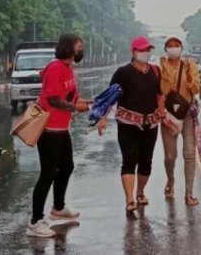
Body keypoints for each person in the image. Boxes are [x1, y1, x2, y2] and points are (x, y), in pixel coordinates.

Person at [27, 34, 90, 238]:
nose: (81, 51)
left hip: (62, 130)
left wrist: (84, 103)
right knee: (48, 173)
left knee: (67, 166)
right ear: (69, 48)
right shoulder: (55, 68)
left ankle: (58, 208)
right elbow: (53, 99)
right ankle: (35, 222)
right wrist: (74, 107)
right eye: (79, 47)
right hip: (49, 130)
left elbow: (74, 95)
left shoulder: (68, 70)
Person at [97, 36, 167, 214]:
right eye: (141, 50)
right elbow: (111, 96)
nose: (145, 53)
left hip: (150, 124)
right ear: (133, 52)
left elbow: (159, 95)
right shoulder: (123, 72)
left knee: (146, 161)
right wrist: (103, 117)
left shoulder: (155, 71)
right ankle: (129, 199)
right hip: (127, 123)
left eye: (147, 50)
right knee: (129, 159)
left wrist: (162, 114)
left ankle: (140, 193)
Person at [159, 36, 201, 206]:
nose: (173, 48)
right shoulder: (161, 67)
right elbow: (164, 90)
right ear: (165, 49)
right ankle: (170, 181)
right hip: (169, 116)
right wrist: (167, 70)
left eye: (176, 46)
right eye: (170, 46)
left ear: (182, 48)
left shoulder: (190, 66)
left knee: (190, 153)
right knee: (170, 156)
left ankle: (189, 192)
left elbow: (197, 89)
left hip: (188, 115)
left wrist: (190, 77)